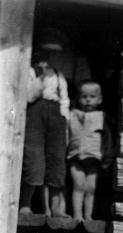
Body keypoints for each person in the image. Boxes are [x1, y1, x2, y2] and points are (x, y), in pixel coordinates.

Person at [20, 32, 70, 217]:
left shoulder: (58, 75)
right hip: (35, 117)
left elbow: (65, 102)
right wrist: (40, 78)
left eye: (53, 54)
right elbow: (29, 96)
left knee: (56, 160)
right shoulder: (30, 72)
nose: (48, 57)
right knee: (34, 159)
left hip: (56, 120)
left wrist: (65, 124)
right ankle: (26, 204)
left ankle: (56, 208)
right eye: (45, 53)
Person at [67, 80, 114, 221]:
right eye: (84, 96)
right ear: (78, 98)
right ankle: (77, 214)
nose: (88, 100)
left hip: (94, 158)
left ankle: (88, 215)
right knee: (78, 184)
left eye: (92, 96)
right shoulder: (72, 115)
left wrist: (107, 157)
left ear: (99, 99)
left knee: (91, 187)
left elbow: (108, 139)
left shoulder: (102, 117)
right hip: (75, 156)